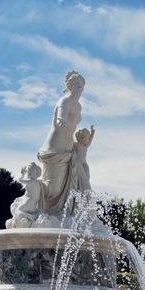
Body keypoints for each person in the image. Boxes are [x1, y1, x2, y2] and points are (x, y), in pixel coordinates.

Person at [37, 71, 92, 214]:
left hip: (69, 149)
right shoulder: (64, 101)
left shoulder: (78, 106)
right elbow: (60, 116)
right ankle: (33, 199)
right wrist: (61, 120)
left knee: (82, 182)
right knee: (53, 188)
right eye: (78, 86)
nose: (81, 90)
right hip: (56, 147)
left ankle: (74, 214)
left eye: (82, 87)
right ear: (70, 86)